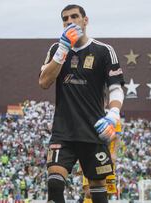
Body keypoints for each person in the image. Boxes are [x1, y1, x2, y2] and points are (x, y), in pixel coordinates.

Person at [38, 4, 124, 203]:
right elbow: (44, 82)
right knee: (55, 183)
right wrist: (62, 50)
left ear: (85, 20)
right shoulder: (55, 49)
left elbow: (116, 87)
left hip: (94, 130)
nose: (69, 21)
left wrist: (113, 114)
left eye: (74, 16)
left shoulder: (104, 51)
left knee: (98, 192)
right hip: (63, 131)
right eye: (65, 18)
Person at [81, 121, 122, 203]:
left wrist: (114, 154)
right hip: (91, 157)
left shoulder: (113, 118)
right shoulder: (90, 114)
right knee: (89, 191)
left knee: (107, 191)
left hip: (107, 160)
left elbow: (117, 137)